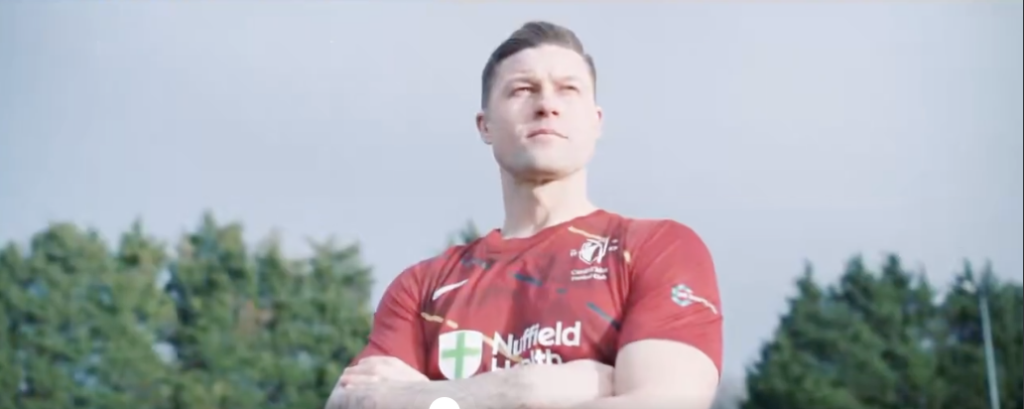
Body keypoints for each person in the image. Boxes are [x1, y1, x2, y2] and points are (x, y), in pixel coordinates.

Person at [325, 20, 722, 409]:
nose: (547, 106)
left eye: (568, 90)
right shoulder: (423, 288)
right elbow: (352, 401)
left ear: (595, 122)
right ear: (486, 126)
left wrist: (423, 399)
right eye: (522, 90)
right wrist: (525, 389)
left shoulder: (656, 250)